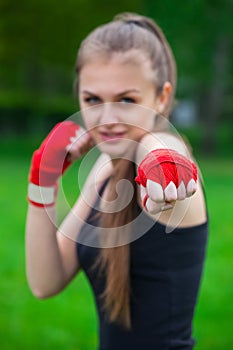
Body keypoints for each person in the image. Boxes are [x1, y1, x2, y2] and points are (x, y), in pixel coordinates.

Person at [25, 12, 208, 350]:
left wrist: (163, 162)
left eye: (127, 100)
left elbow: (163, 146)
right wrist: (42, 183)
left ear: (162, 98)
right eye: (92, 100)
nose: (107, 119)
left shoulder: (164, 159)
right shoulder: (102, 172)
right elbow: (44, 281)